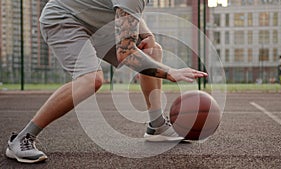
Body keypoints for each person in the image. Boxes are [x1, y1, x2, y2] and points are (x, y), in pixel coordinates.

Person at [5, 0, 208, 164]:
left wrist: (147, 35)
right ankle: (21, 138)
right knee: (91, 79)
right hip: (63, 18)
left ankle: (157, 126)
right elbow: (126, 53)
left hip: (94, 20)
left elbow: (126, 8)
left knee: (152, 50)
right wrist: (170, 72)